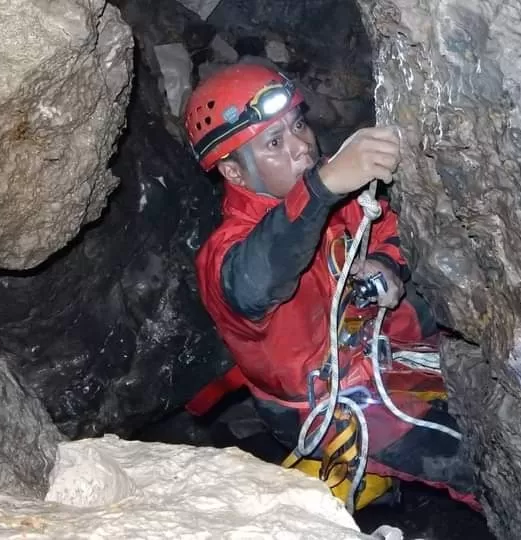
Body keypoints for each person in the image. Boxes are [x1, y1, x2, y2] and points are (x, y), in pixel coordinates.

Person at [183, 63, 477, 511]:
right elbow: (258, 277)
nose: (301, 146)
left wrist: (385, 262)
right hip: (330, 404)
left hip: (387, 358)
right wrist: (323, 186)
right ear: (235, 173)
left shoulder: (333, 204)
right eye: (274, 143)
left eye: (297, 125)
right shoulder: (224, 254)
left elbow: (389, 227)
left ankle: (380, 484)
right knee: (478, 464)